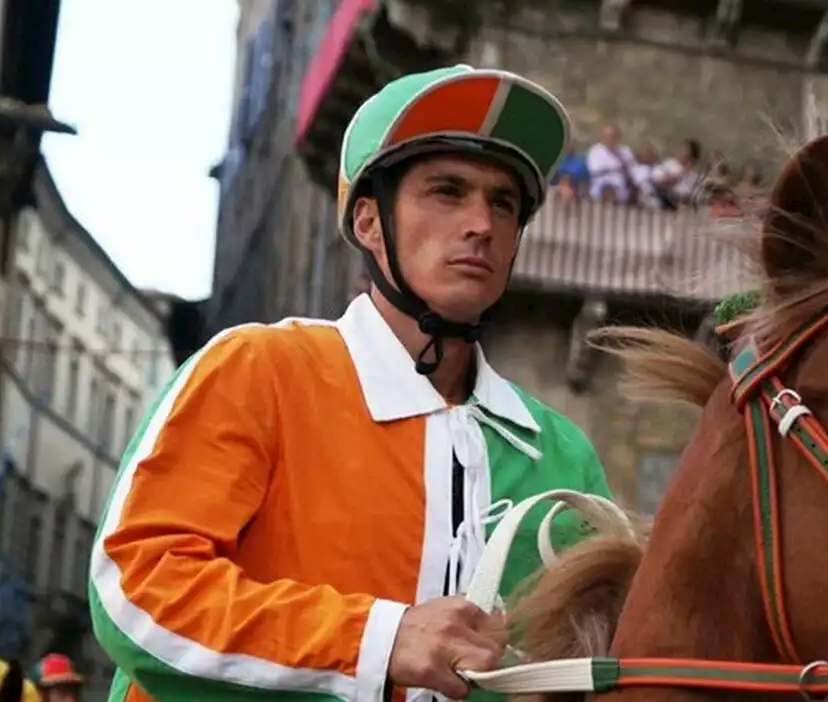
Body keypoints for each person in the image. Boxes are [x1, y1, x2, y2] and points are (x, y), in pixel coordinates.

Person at [88, 64, 613, 702]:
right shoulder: (257, 369)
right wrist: (377, 640)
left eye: (504, 202)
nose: (482, 223)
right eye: (447, 191)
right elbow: (136, 588)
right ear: (369, 222)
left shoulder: (563, 455)